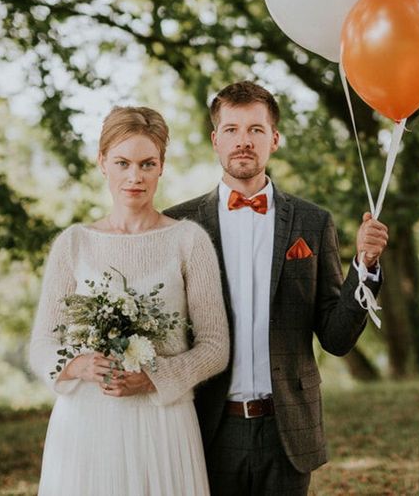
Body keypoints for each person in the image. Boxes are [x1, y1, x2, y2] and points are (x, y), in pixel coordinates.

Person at [165, 81, 389, 495]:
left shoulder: (312, 222)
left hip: (288, 430)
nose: (243, 141)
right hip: (206, 428)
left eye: (256, 129)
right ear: (216, 140)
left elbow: (336, 338)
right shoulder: (176, 226)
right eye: (231, 130)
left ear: (275, 139)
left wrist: (365, 266)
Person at [28, 106, 229, 496]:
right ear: (102, 163)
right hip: (87, 426)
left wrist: (155, 377)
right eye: (122, 163)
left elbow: (215, 347)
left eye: (147, 164)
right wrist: (79, 365)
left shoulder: (189, 241)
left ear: (161, 166)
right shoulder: (74, 243)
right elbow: (41, 346)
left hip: (163, 423)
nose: (135, 177)